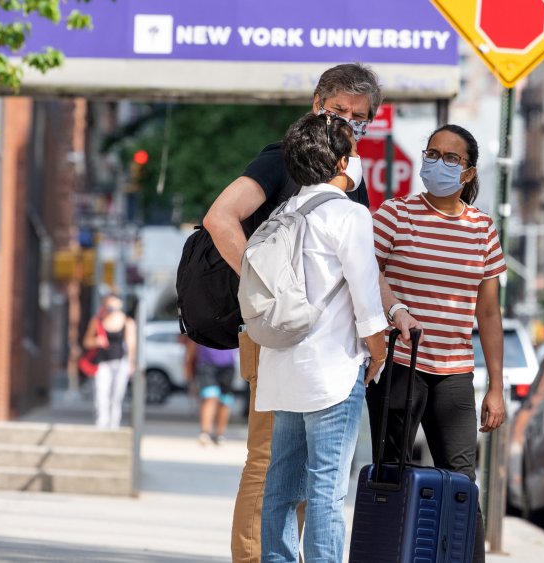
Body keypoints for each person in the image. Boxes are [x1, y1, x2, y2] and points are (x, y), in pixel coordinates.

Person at [202, 62, 382, 562]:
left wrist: (395, 307)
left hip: (321, 346)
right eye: (338, 108)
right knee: (271, 465)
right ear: (316, 104)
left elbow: (357, 261)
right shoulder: (285, 158)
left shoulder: (347, 173)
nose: (346, 120)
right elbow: (220, 218)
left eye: (358, 115)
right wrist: (268, 288)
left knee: (303, 475)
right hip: (277, 336)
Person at [368, 124, 507, 563]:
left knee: (462, 484)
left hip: (454, 374)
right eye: (433, 154)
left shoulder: (482, 229)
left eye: (451, 158)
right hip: (398, 368)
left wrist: (496, 387)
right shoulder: (395, 214)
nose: (438, 163)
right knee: (392, 477)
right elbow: (365, 275)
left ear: (468, 174)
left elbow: (488, 313)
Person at [257, 113, 387, 562]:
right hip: (331, 372)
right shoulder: (349, 214)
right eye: (353, 151)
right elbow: (367, 296)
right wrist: (377, 350)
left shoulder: (284, 212)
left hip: (282, 369)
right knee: (326, 490)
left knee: (280, 487)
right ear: (340, 161)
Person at [83, 295, 137, 429]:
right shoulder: (97, 321)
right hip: (103, 363)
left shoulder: (127, 322)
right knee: (102, 393)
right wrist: (96, 341)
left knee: (117, 396)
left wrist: (131, 364)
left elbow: (131, 345)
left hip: (120, 362)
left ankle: (114, 424)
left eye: (115, 307)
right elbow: (86, 342)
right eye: (109, 307)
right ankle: (101, 423)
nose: (111, 310)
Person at [184, 338, 236, 445]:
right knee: (210, 396)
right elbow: (193, 340)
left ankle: (219, 434)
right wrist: (188, 365)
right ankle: (205, 432)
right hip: (206, 363)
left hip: (228, 364)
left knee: (225, 400)